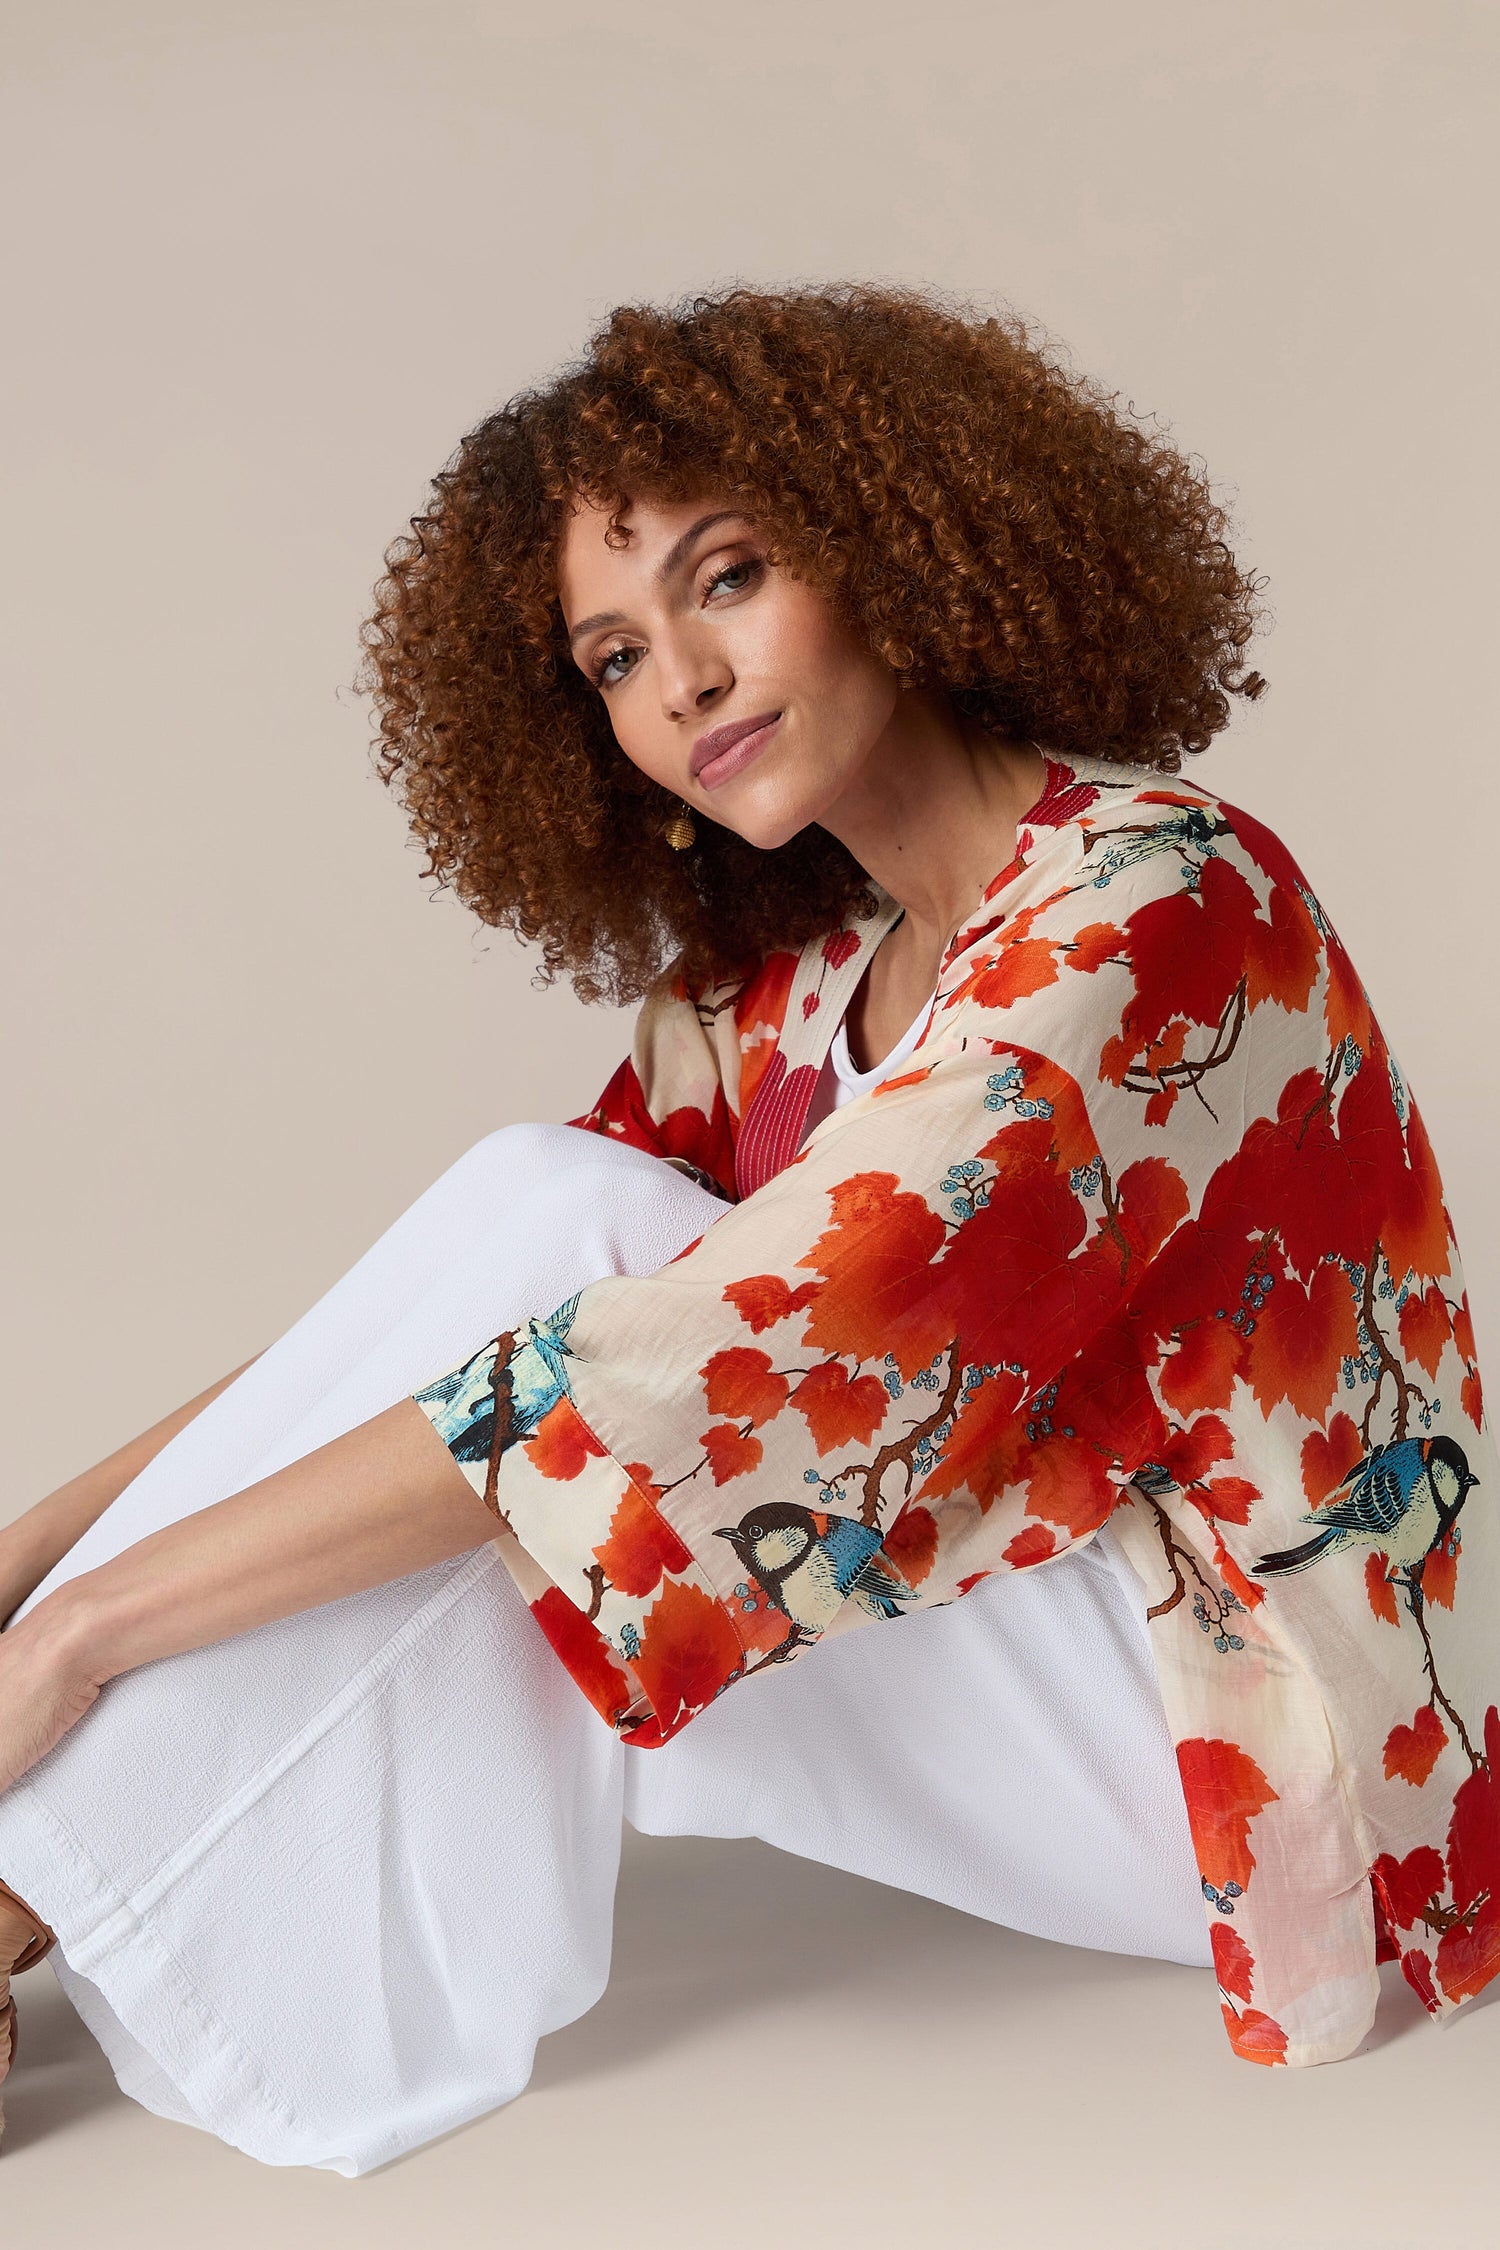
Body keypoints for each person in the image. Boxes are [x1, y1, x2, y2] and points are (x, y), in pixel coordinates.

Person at [2, 283, 1494, 2174]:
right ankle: (35, 1884)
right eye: (614, 656)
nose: (683, 681)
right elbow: (459, 1321)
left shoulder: (1159, 904)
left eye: (727, 577)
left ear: (891, 541)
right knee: (550, 1235)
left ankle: (17, 1880)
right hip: (1027, 1661)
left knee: (570, 1293)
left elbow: (640, 1365)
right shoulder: (771, 995)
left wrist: (75, 1644)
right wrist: (34, 1548)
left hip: (1268, 1772)